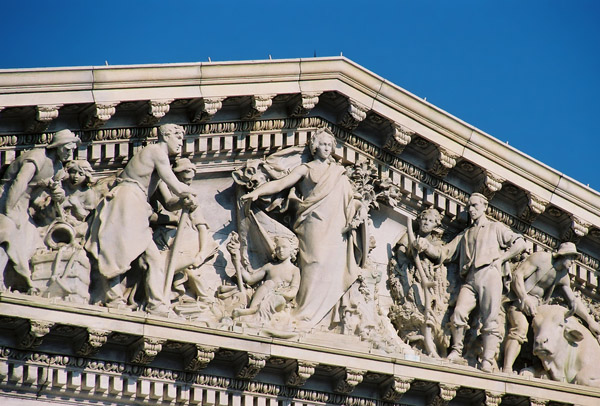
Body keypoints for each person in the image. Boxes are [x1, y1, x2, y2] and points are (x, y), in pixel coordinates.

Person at [241, 128, 366, 328]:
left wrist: (359, 210)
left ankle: (321, 316)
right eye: (322, 144)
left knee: (332, 266)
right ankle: (304, 312)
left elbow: (353, 199)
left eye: (329, 145)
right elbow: (281, 183)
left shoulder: (338, 172)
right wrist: (257, 192)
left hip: (336, 227)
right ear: (314, 147)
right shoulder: (306, 169)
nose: (326, 148)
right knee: (314, 262)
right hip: (313, 221)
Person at [85, 124, 194, 315]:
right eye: (178, 138)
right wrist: (191, 193)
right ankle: (114, 298)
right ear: (166, 136)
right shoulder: (155, 151)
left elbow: (169, 202)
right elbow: (177, 185)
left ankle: (156, 304)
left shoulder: (158, 167)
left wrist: (183, 203)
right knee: (119, 251)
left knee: (152, 258)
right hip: (127, 200)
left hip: (138, 204)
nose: (180, 144)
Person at [414, 193, 526, 372]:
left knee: (490, 318)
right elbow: (445, 252)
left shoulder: (495, 227)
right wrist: (427, 247)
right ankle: (456, 351)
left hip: (490, 273)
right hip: (471, 277)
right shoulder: (465, 235)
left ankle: (488, 360)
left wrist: (502, 259)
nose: (471, 210)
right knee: (458, 313)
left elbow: (520, 243)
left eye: (474, 205)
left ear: (485, 206)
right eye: (469, 207)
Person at [502, 242, 600, 373]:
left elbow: (574, 300)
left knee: (551, 335)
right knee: (520, 328)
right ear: (562, 255)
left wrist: (590, 321)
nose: (572, 262)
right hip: (519, 303)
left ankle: (542, 371)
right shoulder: (541, 258)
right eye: (571, 257)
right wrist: (524, 298)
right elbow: (517, 275)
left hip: (537, 309)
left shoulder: (562, 275)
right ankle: (507, 369)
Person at [0, 129, 79, 291]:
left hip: (24, 206)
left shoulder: (57, 168)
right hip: (7, 199)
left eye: (72, 150)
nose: (70, 154)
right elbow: (19, 183)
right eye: (67, 149)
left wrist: (57, 195)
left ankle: (24, 284)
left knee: (33, 240)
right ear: (58, 146)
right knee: (6, 233)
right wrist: (9, 211)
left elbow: (39, 199)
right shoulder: (37, 157)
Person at [150, 158, 218, 302]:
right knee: (160, 267)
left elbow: (202, 227)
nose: (188, 185)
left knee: (190, 270)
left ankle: (201, 298)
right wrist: (174, 219)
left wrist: (201, 253)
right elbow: (148, 216)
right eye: (185, 180)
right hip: (162, 240)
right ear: (174, 176)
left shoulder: (190, 199)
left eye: (190, 182)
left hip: (183, 243)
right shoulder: (160, 186)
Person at [392, 207, 449, 357]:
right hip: (411, 279)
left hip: (428, 283)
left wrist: (425, 246)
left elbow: (437, 254)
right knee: (415, 304)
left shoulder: (436, 242)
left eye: (430, 221)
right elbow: (401, 253)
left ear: (435, 225)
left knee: (428, 309)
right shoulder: (408, 236)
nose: (426, 223)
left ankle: (429, 343)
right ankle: (417, 338)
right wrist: (410, 255)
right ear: (419, 220)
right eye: (424, 219)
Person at [228, 234, 300, 319]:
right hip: (266, 293)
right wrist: (236, 259)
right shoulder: (270, 266)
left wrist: (280, 293)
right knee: (268, 283)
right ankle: (252, 309)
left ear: (292, 249)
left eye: (284, 247)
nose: (281, 250)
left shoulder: (295, 270)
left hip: (280, 299)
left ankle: (250, 311)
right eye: (278, 248)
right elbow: (250, 279)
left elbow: (293, 292)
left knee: (278, 299)